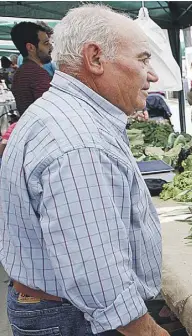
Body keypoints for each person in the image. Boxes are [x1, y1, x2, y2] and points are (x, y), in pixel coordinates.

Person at [0, 4, 168, 335]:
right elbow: (97, 272)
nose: (152, 75)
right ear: (94, 59)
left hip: (57, 307)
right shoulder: (79, 141)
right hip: (71, 317)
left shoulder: (65, 115)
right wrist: (146, 330)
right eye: (143, 59)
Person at [10, 21, 52, 115]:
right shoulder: (38, 74)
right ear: (31, 47)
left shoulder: (19, 73)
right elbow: (50, 111)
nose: (50, 47)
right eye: (46, 43)